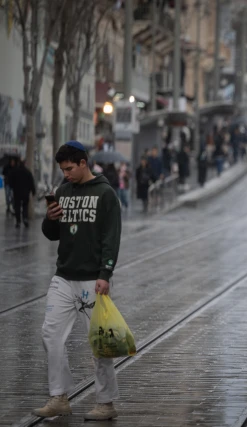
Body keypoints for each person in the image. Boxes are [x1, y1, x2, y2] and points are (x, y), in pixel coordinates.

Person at [35, 141, 122, 420]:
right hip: (63, 276)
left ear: (83, 163)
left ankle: (106, 403)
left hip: (91, 280)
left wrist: (105, 274)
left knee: (99, 342)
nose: (66, 174)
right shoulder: (62, 191)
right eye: (62, 169)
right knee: (50, 334)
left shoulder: (105, 193)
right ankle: (58, 396)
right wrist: (50, 219)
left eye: (69, 168)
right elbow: (52, 234)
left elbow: (111, 236)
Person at [7, 159, 36, 228]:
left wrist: (12, 187)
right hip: (26, 193)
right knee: (25, 206)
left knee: (17, 207)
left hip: (16, 193)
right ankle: (25, 218)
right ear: (24, 164)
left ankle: (18, 221)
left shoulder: (14, 171)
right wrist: (33, 191)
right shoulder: (28, 172)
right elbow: (31, 182)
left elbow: (10, 181)